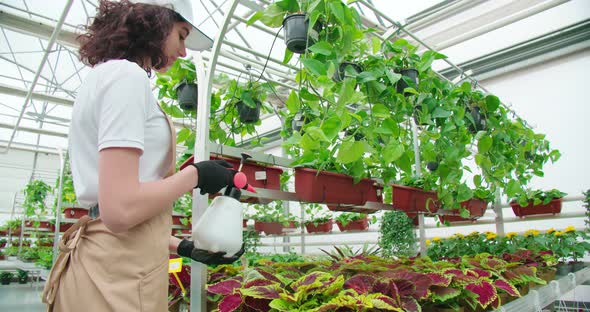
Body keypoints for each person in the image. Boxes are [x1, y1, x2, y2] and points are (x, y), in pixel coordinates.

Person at [41, 0, 244, 310]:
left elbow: (111, 214)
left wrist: (183, 247)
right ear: (156, 22)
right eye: (182, 35)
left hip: (112, 262)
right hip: (115, 278)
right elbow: (120, 210)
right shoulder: (127, 77)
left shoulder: (106, 75)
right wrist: (196, 175)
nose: (183, 51)